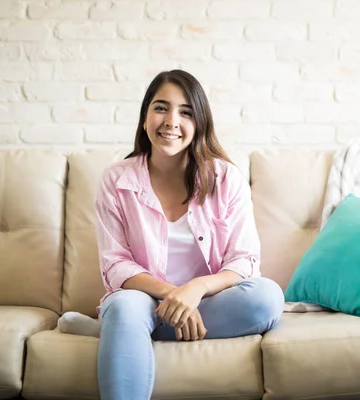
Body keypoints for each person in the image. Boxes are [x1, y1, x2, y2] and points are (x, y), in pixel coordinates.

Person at [60, 69, 285, 400]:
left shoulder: (226, 179)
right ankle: (125, 325)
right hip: (141, 300)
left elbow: (244, 260)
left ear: (200, 124)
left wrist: (194, 291)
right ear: (145, 118)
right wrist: (173, 295)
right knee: (125, 307)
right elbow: (116, 265)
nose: (171, 121)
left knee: (266, 298)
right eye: (161, 108)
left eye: (186, 112)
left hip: (208, 301)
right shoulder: (116, 180)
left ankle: (119, 332)